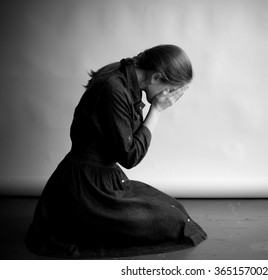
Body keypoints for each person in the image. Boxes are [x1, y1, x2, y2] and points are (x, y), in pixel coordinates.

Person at [25, 44, 207, 258]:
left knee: (176, 211)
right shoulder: (114, 88)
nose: (169, 96)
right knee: (172, 223)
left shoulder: (124, 76)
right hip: (86, 188)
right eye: (170, 89)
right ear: (156, 77)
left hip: (103, 178)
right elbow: (130, 156)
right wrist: (156, 109)